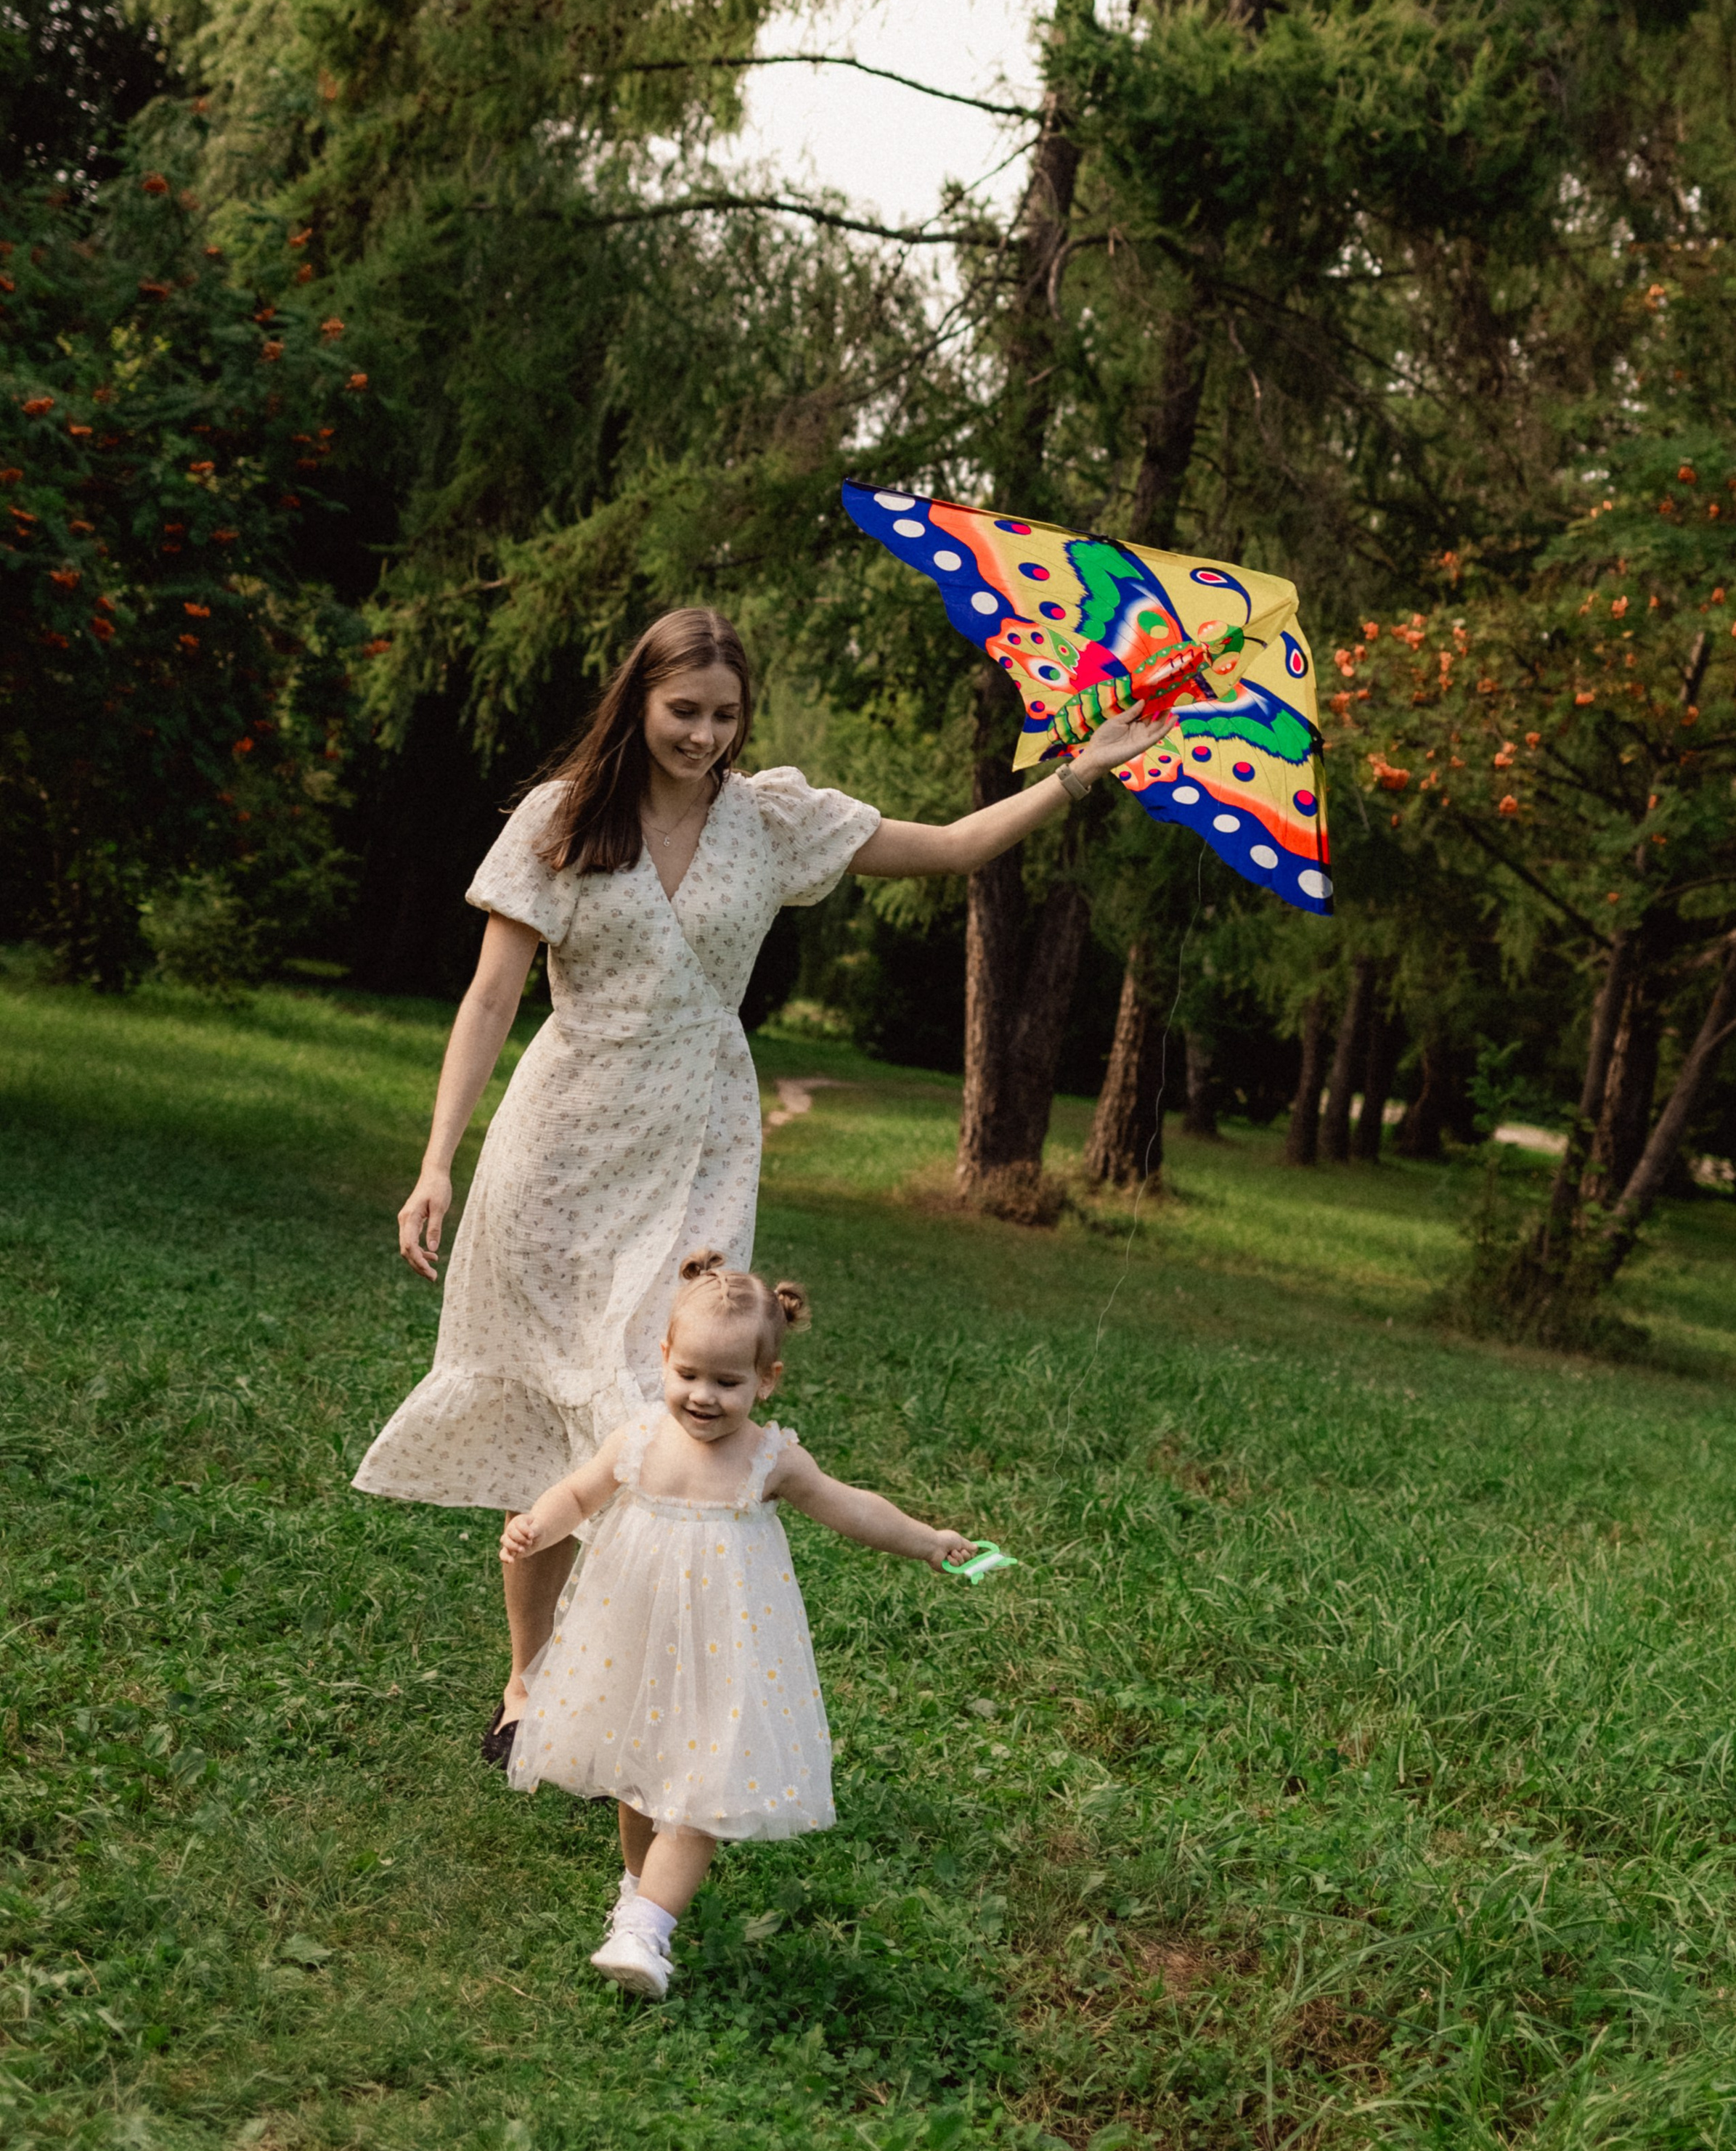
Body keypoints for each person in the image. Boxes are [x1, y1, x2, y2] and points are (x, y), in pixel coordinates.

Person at [351, 602, 1163, 1762]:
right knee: (546, 1419)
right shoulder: (562, 818)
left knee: (660, 1401)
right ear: (639, 698)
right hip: (562, 1146)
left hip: (699, 1139)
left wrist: (1080, 774)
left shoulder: (772, 821)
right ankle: (530, 1682)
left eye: (725, 715)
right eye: (684, 710)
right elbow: (488, 1000)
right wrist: (437, 1160)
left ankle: (622, 1696)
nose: (704, 735)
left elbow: (950, 846)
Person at [500, 1252, 974, 1997]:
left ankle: (649, 1929)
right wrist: (537, 1522)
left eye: (728, 1382)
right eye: (689, 1374)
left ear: (766, 1381)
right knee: (637, 1777)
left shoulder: (769, 1458)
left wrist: (926, 1540)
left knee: (698, 1794)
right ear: (664, 1358)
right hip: (638, 1637)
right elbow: (580, 1492)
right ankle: (636, 1893)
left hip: (725, 1649)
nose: (703, 1396)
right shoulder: (638, 1438)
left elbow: (850, 1504)